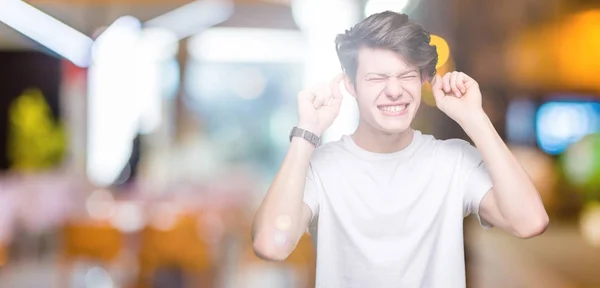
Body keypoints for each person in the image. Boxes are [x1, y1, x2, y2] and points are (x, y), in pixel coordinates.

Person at [251, 11, 548, 288]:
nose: (394, 90)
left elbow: (530, 222)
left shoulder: (454, 161)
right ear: (351, 86)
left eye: (406, 75)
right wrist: (307, 132)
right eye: (377, 78)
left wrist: (475, 118)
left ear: (422, 80)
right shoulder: (321, 167)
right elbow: (271, 245)